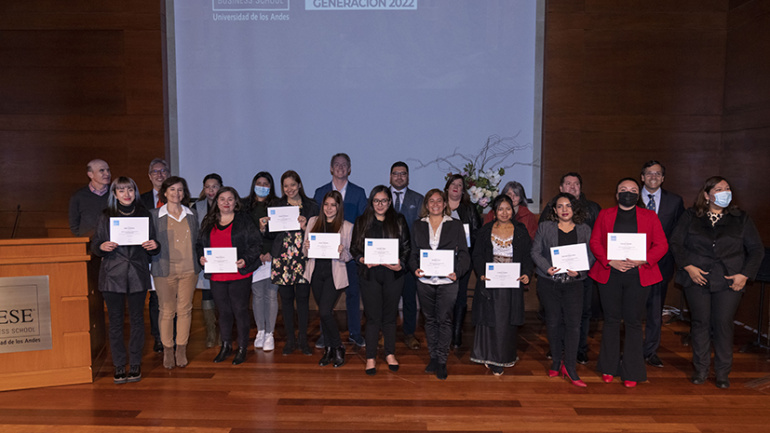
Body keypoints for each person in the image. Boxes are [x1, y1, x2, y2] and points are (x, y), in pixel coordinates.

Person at [670, 176, 764, 389]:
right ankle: (701, 369)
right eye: (719, 188)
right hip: (697, 278)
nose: (725, 192)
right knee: (700, 323)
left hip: (729, 281)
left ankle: (722, 372)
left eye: (727, 188)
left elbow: (756, 250)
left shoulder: (741, 218)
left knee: (723, 324)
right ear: (706, 195)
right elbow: (676, 243)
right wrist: (688, 267)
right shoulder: (691, 215)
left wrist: (744, 275)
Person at [588, 178, 667, 388]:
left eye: (633, 190)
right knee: (612, 320)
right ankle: (608, 367)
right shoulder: (605, 214)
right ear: (617, 194)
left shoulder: (649, 216)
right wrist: (609, 260)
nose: (628, 193)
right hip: (610, 273)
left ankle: (632, 370)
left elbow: (661, 244)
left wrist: (644, 259)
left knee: (633, 322)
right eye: (623, 189)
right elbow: (595, 241)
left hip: (639, 274)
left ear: (638, 195)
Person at [91, 176, 159, 384]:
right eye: (121, 191)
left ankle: (135, 363)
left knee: (138, 321)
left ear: (135, 192)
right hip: (113, 275)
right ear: (114, 194)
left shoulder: (144, 214)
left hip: (137, 273)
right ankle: (119, 365)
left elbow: (155, 245)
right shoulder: (106, 216)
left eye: (130, 189)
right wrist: (102, 247)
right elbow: (95, 245)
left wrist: (154, 245)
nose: (126, 194)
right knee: (116, 322)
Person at [531, 193, 593, 386]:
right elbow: (535, 252)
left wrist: (580, 270)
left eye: (568, 205)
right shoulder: (545, 227)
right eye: (560, 206)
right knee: (554, 323)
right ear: (555, 210)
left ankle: (571, 367)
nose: (564, 209)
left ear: (575, 208)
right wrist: (546, 267)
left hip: (574, 284)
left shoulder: (584, 229)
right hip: (549, 283)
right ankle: (557, 361)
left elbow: (591, 255)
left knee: (574, 325)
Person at [540, 172, 601, 364]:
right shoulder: (551, 208)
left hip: (582, 274)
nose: (572, 187)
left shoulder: (593, 208)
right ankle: (557, 349)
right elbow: (541, 242)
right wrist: (548, 266)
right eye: (568, 183)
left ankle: (580, 349)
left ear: (581, 188)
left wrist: (583, 268)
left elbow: (596, 242)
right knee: (556, 314)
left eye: (576, 184)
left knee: (582, 313)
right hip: (555, 275)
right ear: (560, 188)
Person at [410, 189, 471, 380]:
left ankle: (443, 360)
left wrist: (457, 272)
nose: (435, 204)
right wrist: (415, 268)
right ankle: (433, 357)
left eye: (439, 201)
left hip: (448, 280)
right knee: (429, 319)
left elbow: (463, 254)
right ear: (426, 204)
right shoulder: (417, 225)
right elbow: (412, 253)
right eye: (431, 201)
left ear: (445, 204)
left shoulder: (456, 225)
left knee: (444, 319)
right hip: (425, 280)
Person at [350, 186, 411, 375]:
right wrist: (361, 259)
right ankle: (370, 357)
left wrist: (401, 264)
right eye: (376, 201)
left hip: (393, 275)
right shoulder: (362, 221)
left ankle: (390, 353)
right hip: (370, 275)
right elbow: (354, 248)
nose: (380, 204)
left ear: (390, 202)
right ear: (371, 202)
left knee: (390, 317)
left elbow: (407, 247)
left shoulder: (399, 220)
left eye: (384, 200)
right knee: (373, 317)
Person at [197, 187, 262, 365]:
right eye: (222, 199)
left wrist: (245, 260)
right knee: (223, 312)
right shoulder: (208, 221)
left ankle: (241, 348)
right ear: (216, 202)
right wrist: (201, 258)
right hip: (217, 275)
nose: (226, 202)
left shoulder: (244, 220)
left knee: (240, 311)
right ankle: (226, 346)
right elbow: (199, 244)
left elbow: (256, 244)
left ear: (236, 202)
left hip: (239, 274)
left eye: (230, 199)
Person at [470, 194, 533, 377]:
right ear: (494, 211)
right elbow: (478, 255)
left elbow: (528, 256)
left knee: (506, 321)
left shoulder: (520, 230)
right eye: (500, 209)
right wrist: (482, 273)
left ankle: (504, 356)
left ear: (512, 210)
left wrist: (527, 274)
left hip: (512, 283)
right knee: (490, 319)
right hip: (491, 282)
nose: (504, 212)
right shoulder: (486, 230)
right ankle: (487, 355)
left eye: (508, 209)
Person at [313, 153, 368, 348]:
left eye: (344, 165)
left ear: (350, 169)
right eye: (336, 164)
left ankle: (354, 333)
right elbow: (314, 223)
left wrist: (354, 248)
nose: (340, 167)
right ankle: (325, 335)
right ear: (330, 168)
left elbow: (364, 224)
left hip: (349, 255)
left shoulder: (359, 193)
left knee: (353, 294)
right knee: (324, 301)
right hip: (324, 258)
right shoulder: (320, 192)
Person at [149, 176, 200, 369]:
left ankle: (181, 349)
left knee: (185, 310)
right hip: (164, 270)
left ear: (184, 193)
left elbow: (198, 241)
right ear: (165, 192)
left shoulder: (192, 214)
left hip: (189, 270)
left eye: (180, 190)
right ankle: (168, 350)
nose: (176, 193)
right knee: (167, 311)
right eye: (172, 190)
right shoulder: (154, 215)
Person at [639, 160, 685, 368]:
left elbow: (678, 233)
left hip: (661, 264)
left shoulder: (675, 201)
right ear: (642, 177)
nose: (653, 177)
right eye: (649, 173)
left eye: (658, 174)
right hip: (632, 263)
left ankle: (650, 351)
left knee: (655, 311)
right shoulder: (630, 197)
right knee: (631, 310)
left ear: (663, 178)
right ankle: (630, 350)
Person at [271, 170, 319, 355]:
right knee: (287, 300)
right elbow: (270, 235)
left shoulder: (312, 206)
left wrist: (306, 226)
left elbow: (319, 232)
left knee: (303, 300)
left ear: (299, 185)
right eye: (285, 186)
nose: (289, 189)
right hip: (282, 259)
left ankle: (303, 340)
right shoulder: (276, 206)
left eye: (292, 184)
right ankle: (290, 340)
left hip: (303, 258)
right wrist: (264, 225)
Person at [303, 191, 353, 368]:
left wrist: (341, 252)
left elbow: (349, 255)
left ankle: (338, 347)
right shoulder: (313, 222)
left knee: (325, 311)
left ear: (338, 207)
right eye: (326, 204)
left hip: (335, 275)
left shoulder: (347, 226)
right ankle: (329, 350)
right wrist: (307, 247)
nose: (329, 208)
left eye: (333, 205)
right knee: (324, 313)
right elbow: (305, 251)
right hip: (316, 273)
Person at [389, 161, 424, 350]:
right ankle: (387, 334)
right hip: (385, 260)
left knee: (410, 298)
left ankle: (409, 334)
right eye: (396, 173)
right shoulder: (380, 197)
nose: (399, 177)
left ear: (408, 177)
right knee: (388, 300)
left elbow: (420, 231)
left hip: (409, 260)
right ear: (390, 176)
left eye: (403, 174)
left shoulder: (418, 199)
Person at [444, 174, 480, 349]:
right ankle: (445, 330)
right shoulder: (439, 206)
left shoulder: (469, 209)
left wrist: (464, 246)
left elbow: (476, 233)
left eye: (460, 185)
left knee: (460, 296)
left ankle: (457, 332)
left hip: (462, 260)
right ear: (447, 187)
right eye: (453, 184)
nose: (456, 187)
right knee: (444, 297)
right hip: (442, 260)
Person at [244, 171, 279, 353]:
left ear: (271, 187)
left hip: (273, 256)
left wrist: (271, 253)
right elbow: (243, 234)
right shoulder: (244, 206)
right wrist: (256, 254)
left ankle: (270, 334)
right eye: (259, 183)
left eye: (266, 184)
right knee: (257, 295)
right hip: (254, 257)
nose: (263, 186)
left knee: (271, 295)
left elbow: (282, 235)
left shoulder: (278, 206)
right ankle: (261, 331)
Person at [140, 158, 170, 353]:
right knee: (156, 299)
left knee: (172, 298)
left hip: (173, 255)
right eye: (155, 172)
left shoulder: (176, 197)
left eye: (163, 171)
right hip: (150, 256)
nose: (160, 175)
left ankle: (172, 336)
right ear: (150, 176)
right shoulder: (140, 200)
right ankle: (158, 337)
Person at [194, 173, 223, 348]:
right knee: (207, 293)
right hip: (206, 258)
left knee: (222, 295)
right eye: (207, 187)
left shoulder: (228, 204)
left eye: (214, 186)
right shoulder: (196, 207)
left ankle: (223, 333)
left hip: (225, 258)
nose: (211, 190)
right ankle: (211, 333)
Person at [69, 159, 111, 237]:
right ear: (90, 174)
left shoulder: (116, 193)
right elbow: (74, 224)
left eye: (108, 170)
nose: (107, 173)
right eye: (102, 170)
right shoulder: (78, 196)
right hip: (88, 243)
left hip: (112, 243)